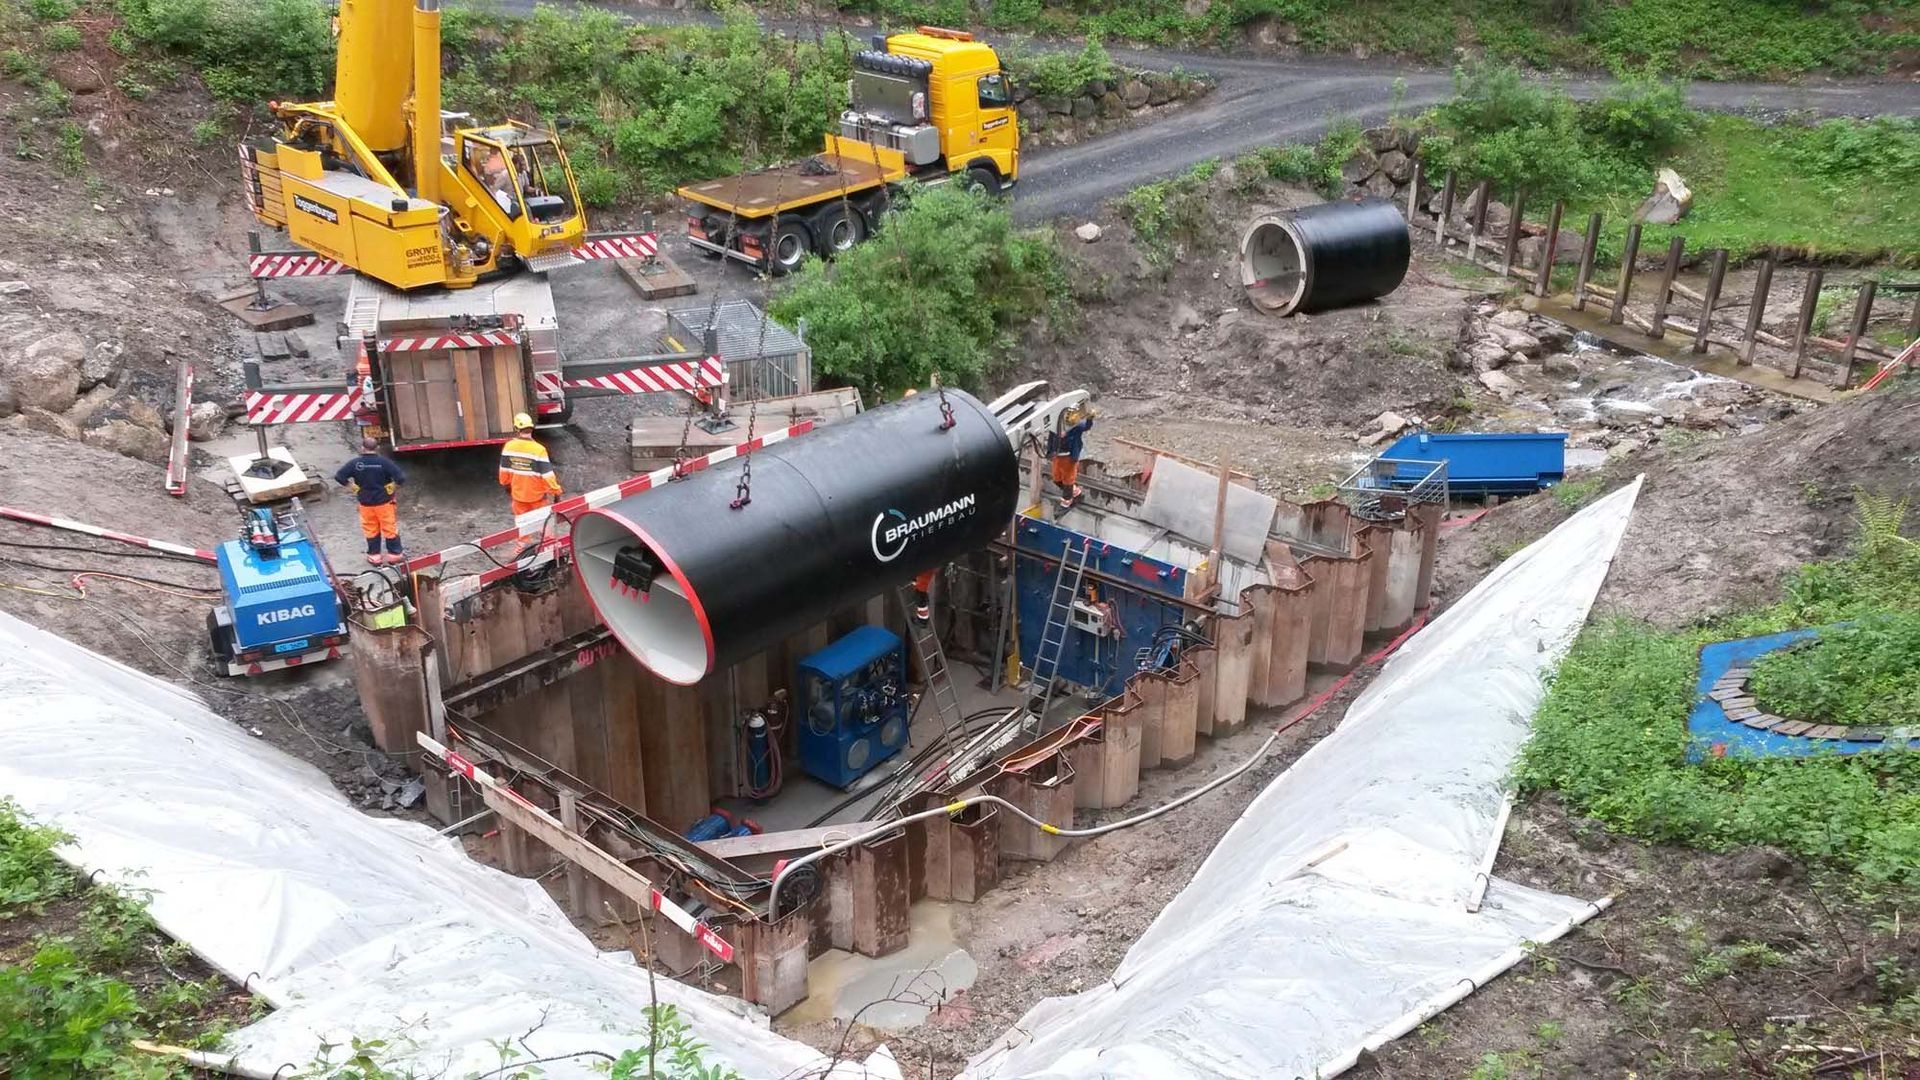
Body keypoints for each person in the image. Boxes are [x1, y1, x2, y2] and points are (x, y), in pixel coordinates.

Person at [334, 437, 406, 566]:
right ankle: (394, 555)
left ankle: (375, 556)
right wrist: (391, 488)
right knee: (389, 528)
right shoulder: (384, 462)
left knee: (371, 529)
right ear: (377, 448)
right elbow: (401, 478)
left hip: (365, 504)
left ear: (362, 448)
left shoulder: (355, 463)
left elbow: (339, 476)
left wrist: (354, 488)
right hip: (384, 503)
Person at [499, 412, 562, 517]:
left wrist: (507, 485)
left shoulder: (508, 447)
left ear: (516, 428)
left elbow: (504, 473)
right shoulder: (539, 449)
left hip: (518, 498)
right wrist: (556, 492)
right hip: (537, 498)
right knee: (545, 527)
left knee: (523, 528)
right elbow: (547, 476)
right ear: (532, 428)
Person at [1048, 407, 1095, 506]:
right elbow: (1051, 438)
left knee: (1068, 480)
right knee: (1057, 479)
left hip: (1069, 456)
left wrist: (1090, 418)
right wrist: (1050, 451)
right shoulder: (1055, 426)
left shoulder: (1076, 427)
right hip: (1057, 455)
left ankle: (1066, 501)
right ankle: (1076, 492)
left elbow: (1086, 426)